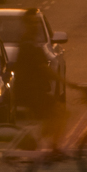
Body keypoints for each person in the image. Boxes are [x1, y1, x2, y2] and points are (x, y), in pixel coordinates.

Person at [16, 9, 66, 149]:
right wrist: (70, 84)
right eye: (31, 23)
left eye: (36, 22)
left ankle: (40, 143)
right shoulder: (28, 44)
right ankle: (51, 147)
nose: (35, 25)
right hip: (29, 92)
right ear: (26, 24)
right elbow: (45, 69)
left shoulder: (31, 41)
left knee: (56, 113)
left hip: (33, 90)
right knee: (60, 112)